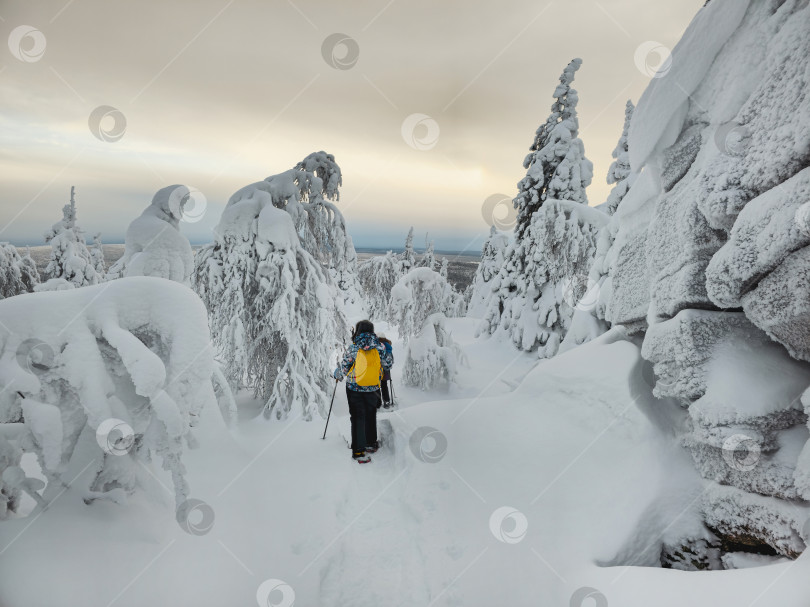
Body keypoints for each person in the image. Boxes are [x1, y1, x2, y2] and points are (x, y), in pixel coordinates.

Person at [333, 320, 393, 463]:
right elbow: (388, 364)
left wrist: (338, 375)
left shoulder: (353, 348)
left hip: (354, 388)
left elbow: (345, 368)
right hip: (373, 387)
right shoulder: (379, 346)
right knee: (371, 413)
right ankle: (371, 443)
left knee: (357, 417)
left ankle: (359, 451)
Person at [377, 334, 394, 408]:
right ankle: (386, 401)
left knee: (376, 385)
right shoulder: (388, 346)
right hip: (386, 369)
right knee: (384, 385)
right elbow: (391, 359)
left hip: (377, 369)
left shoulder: (377, 346)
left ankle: (378, 402)